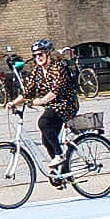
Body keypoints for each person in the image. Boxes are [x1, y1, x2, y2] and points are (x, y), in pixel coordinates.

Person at [26, 40, 82, 180]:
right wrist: (12, 103)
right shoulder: (37, 71)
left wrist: (42, 100)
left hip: (67, 104)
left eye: (40, 54)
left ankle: (59, 155)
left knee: (44, 122)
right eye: (35, 55)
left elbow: (57, 90)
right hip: (54, 107)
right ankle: (62, 171)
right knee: (46, 140)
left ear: (48, 54)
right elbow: (28, 91)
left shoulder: (58, 68)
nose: (38, 57)